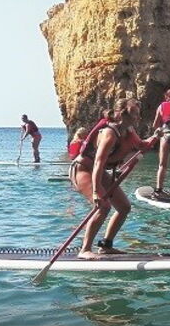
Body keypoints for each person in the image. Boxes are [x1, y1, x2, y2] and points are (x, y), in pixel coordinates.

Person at [69, 99, 161, 258]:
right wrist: (97, 191)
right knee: (103, 206)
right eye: (134, 114)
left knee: (124, 207)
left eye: (139, 115)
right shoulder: (109, 133)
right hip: (83, 169)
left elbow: (142, 145)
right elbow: (99, 162)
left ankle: (106, 245)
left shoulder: (129, 131)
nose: (137, 118)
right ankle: (85, 250)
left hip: (99, 171)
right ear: (121, 114)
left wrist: (155, 136)